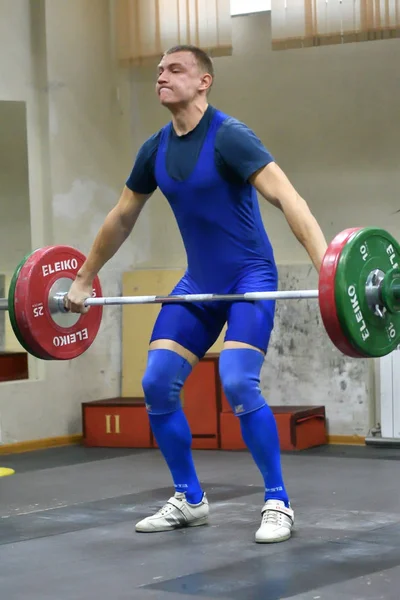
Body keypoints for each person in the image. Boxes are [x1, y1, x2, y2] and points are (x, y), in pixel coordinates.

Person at [66, 44, 328, 544]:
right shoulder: (155, 149)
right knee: (157, 382)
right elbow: (122, 216)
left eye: (175, 70)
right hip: (200, 283)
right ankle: (189, 498)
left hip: (250, 277)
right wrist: (82, 278)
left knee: (235, 380)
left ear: (204, 81)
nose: (161, 77)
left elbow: (287, 197)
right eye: (159, 70)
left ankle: (277, 501)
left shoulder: (230, 137)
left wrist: (326, 266)